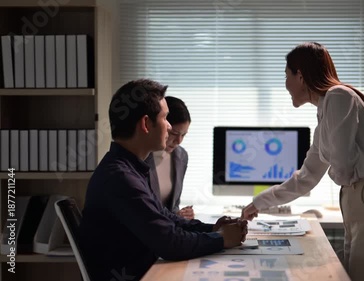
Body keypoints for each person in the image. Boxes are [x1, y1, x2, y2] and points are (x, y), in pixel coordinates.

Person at [241, 42, 364, 281]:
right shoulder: (326, 112)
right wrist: (258, 203)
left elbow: (342, 168)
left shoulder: (338, 96)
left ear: (300, 75)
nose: (285, 85)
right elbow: (305, 179)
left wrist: (330, 166)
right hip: (362, 205)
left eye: (286, 76)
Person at [79, 79, 247, 281]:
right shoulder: (120, 178)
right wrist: (221, 238)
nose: (168, 127)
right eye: (165, 118)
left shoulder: (131, 169)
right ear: (145, 124)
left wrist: (210, 228)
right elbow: (170, 243)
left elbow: (165, 217)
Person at [146, 96, 194, 219]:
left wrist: (181, 215)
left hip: (167, 233)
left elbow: (173, 206)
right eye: (174, 134)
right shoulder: (142, 155)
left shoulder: (181, 156)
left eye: (183, 135)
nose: (179, 141)